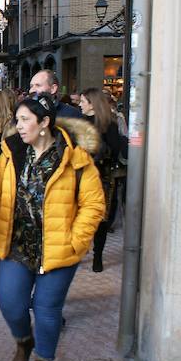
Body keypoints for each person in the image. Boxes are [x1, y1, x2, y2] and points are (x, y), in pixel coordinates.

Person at [0, 93, 105, 361]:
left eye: (25, 119)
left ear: (44, 123)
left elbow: (94, 205)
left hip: (57, 249)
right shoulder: (11, 153)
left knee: (46, 310)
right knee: (10, 302)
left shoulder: (76, 158)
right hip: (17, 245)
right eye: (18, 119)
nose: (18, 125)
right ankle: (23, 342)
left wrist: (75, 241)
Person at [79, 88, 126, 272]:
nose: (80, 105)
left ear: (92, 103)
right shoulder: (79, 121)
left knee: (100, 218)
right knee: (80, 215)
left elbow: (115, 149)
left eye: (83, 101)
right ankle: (81, 250)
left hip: (102, 177)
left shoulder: (109, 124)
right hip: (80, 175)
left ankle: (97, 256)